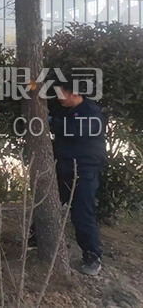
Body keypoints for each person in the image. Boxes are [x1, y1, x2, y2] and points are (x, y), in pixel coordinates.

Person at [49, 80, 106, 276]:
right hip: (63, 169)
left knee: (82, 215)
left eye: (61, 94)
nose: (58, 98)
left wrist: (51, 122)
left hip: (84, 172)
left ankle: (92, 255)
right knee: (48, 204)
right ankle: (36, 237)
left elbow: (73, 130)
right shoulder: (64, 110)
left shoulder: (91, 112)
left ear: (73, 93)